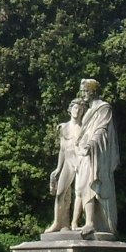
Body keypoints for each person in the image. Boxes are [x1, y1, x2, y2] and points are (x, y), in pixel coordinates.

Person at [73, 79, 119, 237]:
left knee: (91, 185)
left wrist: (91, 144)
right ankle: (85, 222)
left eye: (86, 91)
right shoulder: (88, 110)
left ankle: (90, 223)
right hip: (85, 153)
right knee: (83, 187)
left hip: (96, 153)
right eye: (82, 91)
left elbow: (102, 129)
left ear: (93, 91)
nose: (83, 94)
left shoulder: (104, 107)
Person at [45, 96, 89, 233]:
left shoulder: (84, 127)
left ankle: (75, 223)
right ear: (70, 109)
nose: (78, 111)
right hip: (68, 162)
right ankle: (57, 223)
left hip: (80, 162)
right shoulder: (64, 127)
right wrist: (58, 168)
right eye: (76, 108)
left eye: (80, 110)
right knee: (60, 193)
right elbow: (62, 149)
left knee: (80, 193)